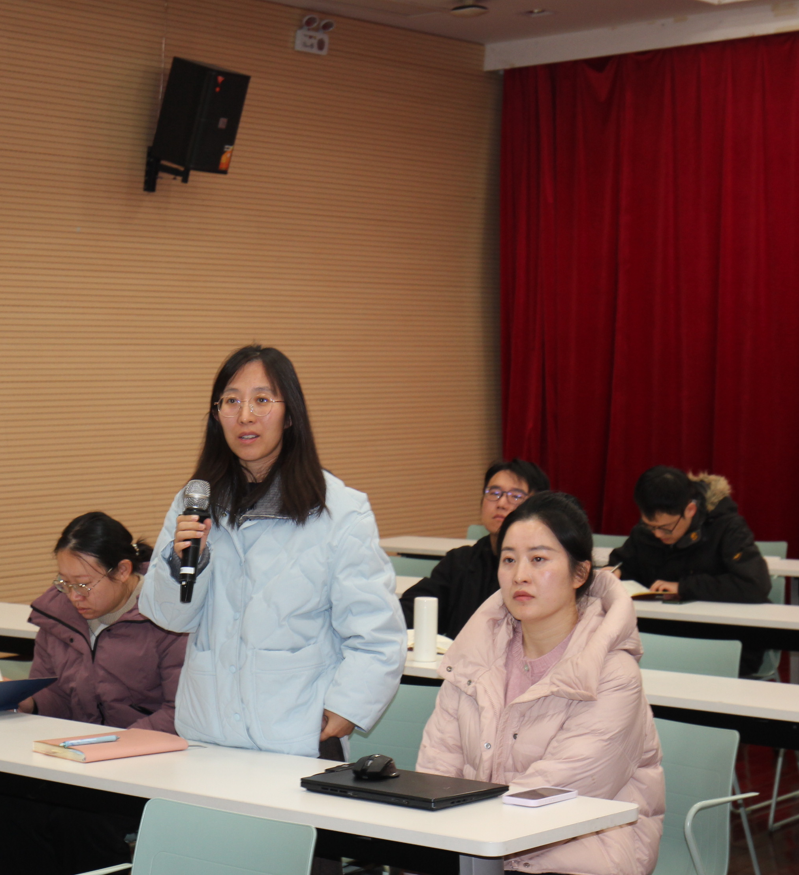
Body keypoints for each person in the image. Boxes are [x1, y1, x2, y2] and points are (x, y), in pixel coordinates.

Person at [140, 344, 406, 760]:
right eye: (231, 401)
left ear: (290, 414)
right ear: (216, 415)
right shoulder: (194, 502)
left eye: (262, 400)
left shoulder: (339, 509)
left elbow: (377, 631)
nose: (245, 415)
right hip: (207, 734)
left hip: (298, 734)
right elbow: (170, 617)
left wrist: (349, 707)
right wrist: (183, 563)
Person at [417, 492, 664, 875]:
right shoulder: (473, 659)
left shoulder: (613, 675)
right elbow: (438, 765)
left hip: (576, 860)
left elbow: (555, 795)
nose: (520, 575)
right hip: (478, 847)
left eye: (538, 559)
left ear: (579, 574)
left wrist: (466, 835)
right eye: (509, 559)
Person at [0, 512, 186, 875]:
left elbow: (180, 711)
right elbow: (56, 693)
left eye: (84, 584)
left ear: (123, 570)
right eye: (64, 582)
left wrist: (114, 745)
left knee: (79, 820)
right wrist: (27, 701)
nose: (73, 596)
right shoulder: (57, 616)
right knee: (8, 803)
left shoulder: (169, 617)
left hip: (147, 766)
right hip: (79, 762)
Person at [607, 466, 771, 675]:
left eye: (666, 528)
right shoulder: (648, 530)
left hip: (721, 639)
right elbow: (627, 562)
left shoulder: (728, 527)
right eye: (650, 526)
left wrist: (684, 587)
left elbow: (754, 584)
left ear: (690, 510)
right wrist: (616, 572)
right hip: (660, 637)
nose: (657, 534)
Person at [400, 459, 550, 639]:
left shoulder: (544, 569)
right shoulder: (460, 562)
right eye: (494, 493)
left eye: (515, 496)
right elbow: (413, 609)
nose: (501, 503)